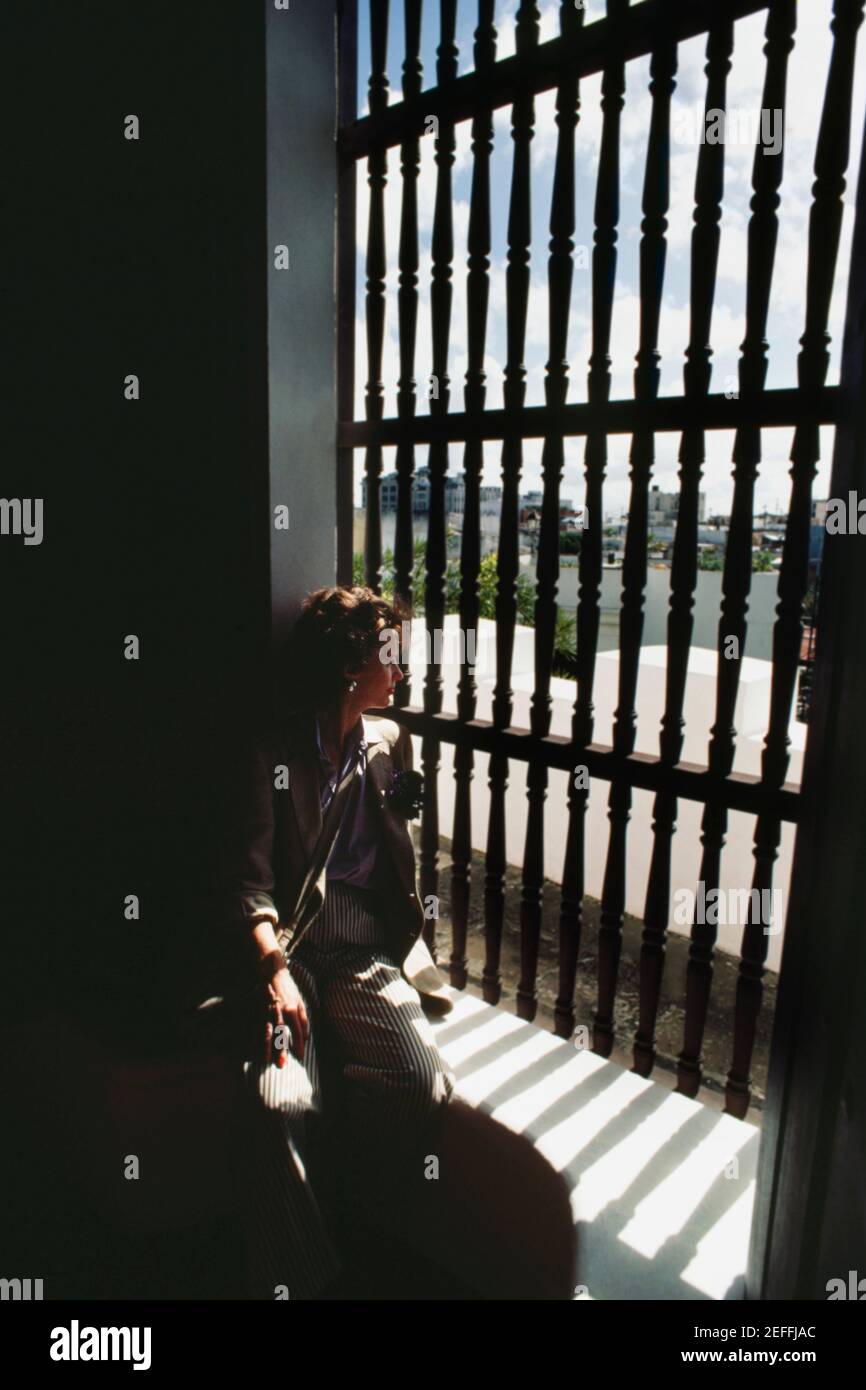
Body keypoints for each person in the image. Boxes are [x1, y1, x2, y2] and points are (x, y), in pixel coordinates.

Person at [211, 586, 456, 1300]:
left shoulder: (387, 742)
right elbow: (247, 883)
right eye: (390, 657)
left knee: (418, 1083)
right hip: (287, 943)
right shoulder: (270, 754)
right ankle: (305, 1282)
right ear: (352, 666)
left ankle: (342, 1209)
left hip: (361, 943)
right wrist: (275, 973)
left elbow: (394, 853)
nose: (402, 672)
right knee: (281, 1102)